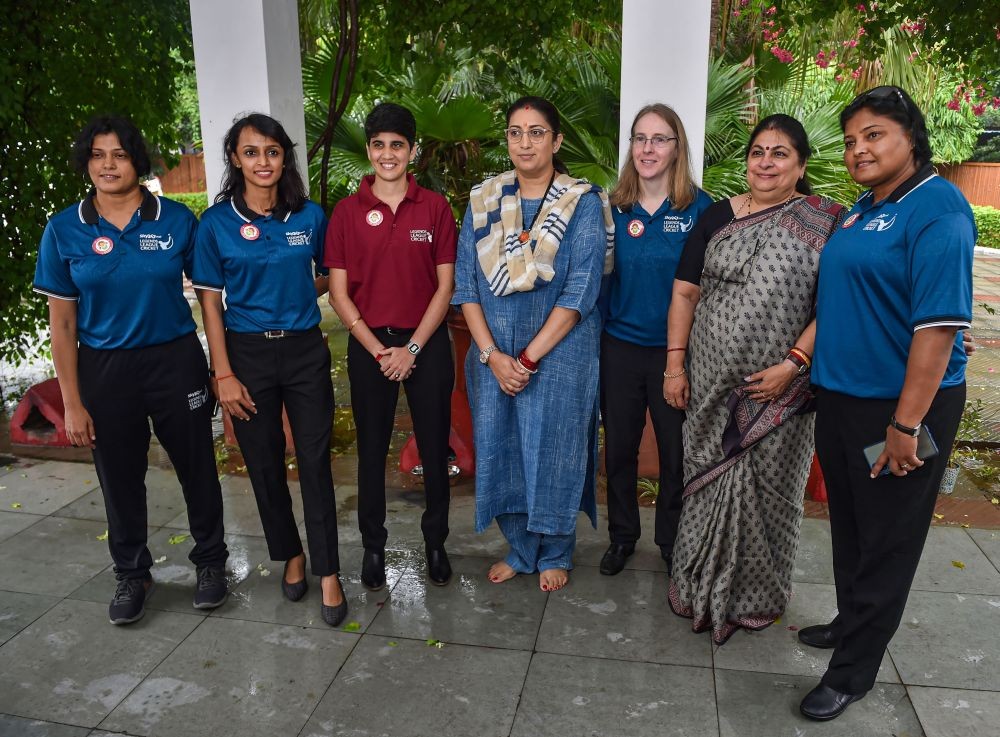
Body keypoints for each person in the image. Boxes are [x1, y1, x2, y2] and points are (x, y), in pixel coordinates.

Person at [798, 86, 974, 721]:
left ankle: (853, 672)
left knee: (887, 538)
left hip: (900, 408)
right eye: (850, 141)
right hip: (842, 398)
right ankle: (851, 622)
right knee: (849, 525)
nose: (858, 150)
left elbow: (937, 329)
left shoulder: (938, 211)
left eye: (873, 135)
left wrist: (907, 424)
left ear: (910, 137)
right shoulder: (859, 209)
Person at [33, 116, 229, 625]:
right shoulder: (63, 228)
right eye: (98, 155)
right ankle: (132, 572)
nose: (108, 164)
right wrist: (72, 402)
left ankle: (211, 562)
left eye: (118, 154)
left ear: (136, 160)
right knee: (119, 477)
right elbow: (62, 322)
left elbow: (209, 292)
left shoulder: (176, 220)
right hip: (105, 368)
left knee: (197, 468)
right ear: (86, 163)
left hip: (174, 359)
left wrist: (221, 365)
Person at [663, 114, 844, 644]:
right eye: (757, 152)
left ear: (801, 164)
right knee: (704, 483)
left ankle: (755, 596)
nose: (766, 162)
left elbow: (835, 305)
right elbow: (684, 293)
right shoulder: (716, 215)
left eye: (780, 153)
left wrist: (794, 364)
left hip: (784, 391)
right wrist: (676, 366)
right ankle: (696, 584)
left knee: (771, 493)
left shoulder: (825, 223)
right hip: (709, 385)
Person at [453, 96, 614, 592]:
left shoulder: (582, 202)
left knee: (556, 448)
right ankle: (521, 547)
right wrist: (493, 356)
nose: (525, 142)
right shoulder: (483, 202)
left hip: (560, 355)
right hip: (492, 354)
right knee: (503, 448)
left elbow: (581, 289)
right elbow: (466, 286)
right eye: (516, 132)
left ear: (556, 140)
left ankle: (555, 550)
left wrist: (525, 358)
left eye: (537, 132)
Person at [193, 113, 347, 627]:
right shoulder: (215, 224)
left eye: (273, 151)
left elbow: (329, 278)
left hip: (304, 350)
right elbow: (210, 304)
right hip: (247, 355)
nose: (263, 161)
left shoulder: (309, 217)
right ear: (235, 158)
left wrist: (299, 294)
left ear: (285, 158)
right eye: (251, 151)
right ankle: (293, 554)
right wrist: (223, 373)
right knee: (262, 462)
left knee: (315, 458)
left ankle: (327, 571)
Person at [325, 103, 458, 590]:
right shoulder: (346, 212)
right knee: (372, 451)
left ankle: (436, 543)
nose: (387, 154)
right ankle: (373, 548)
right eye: (379, 145)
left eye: (397, 145)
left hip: (426, 345)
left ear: (412, 151)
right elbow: (338, 294)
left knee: (434, 446)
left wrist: (413, 350)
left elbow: (445, 287)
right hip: (369, 347)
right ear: (368, 150)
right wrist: (379, 350)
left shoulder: (435, 208)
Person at [598, 104, 712, 577]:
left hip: (675, 354)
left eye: (659, 139)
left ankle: (671, 540)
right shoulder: (611, 206)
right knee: (619, 450)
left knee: (674, 453)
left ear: (676, 147)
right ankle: (622, 537)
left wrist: (680, 360)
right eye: (640, 138)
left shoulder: (702, 209)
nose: (648, 148)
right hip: (619, 348)